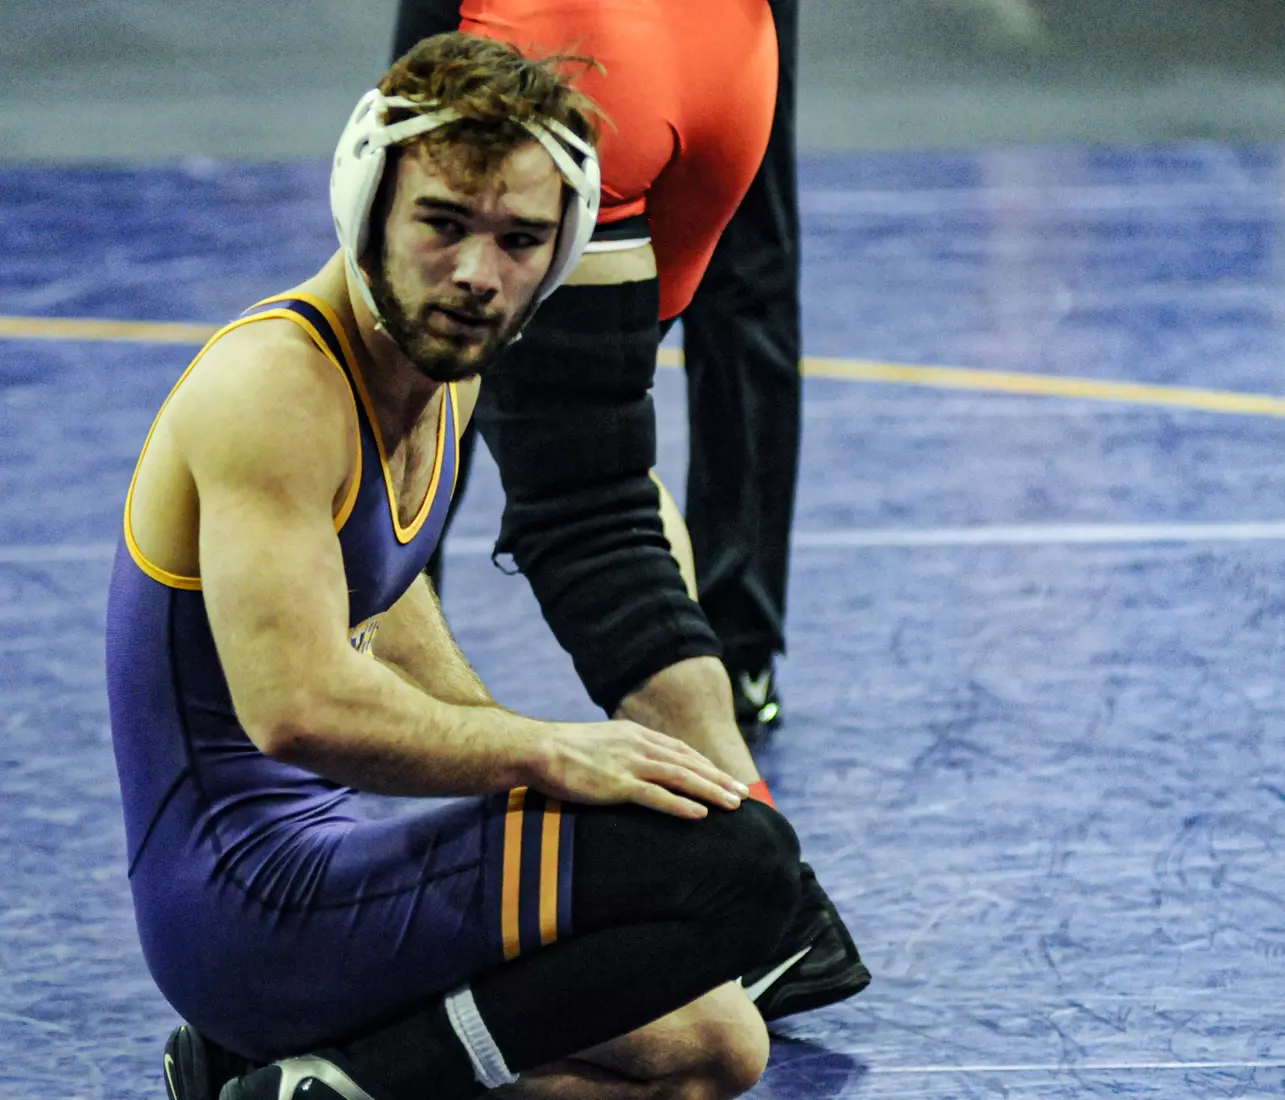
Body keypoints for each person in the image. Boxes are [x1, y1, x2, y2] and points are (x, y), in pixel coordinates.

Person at [106, 34, 811, 1100]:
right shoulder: (275, 389)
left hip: (331, 865)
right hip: (243, 911)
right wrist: (542, 757)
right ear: (368, 205)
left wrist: (519, 780)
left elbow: (388, 608)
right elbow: (295, 707)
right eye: (443, 223)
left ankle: (297, 1078)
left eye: (520, 238)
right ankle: (347, 1077)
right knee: (735, 867)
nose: (479, 274)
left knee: (717, 1048)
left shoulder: (443, 367)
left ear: (562, 251)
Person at [390, 0, 869, 1017]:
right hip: (730, 52)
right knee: (601, 473)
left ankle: (776, 904)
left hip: (566, 39)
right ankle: (754, 811)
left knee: (407, 351)